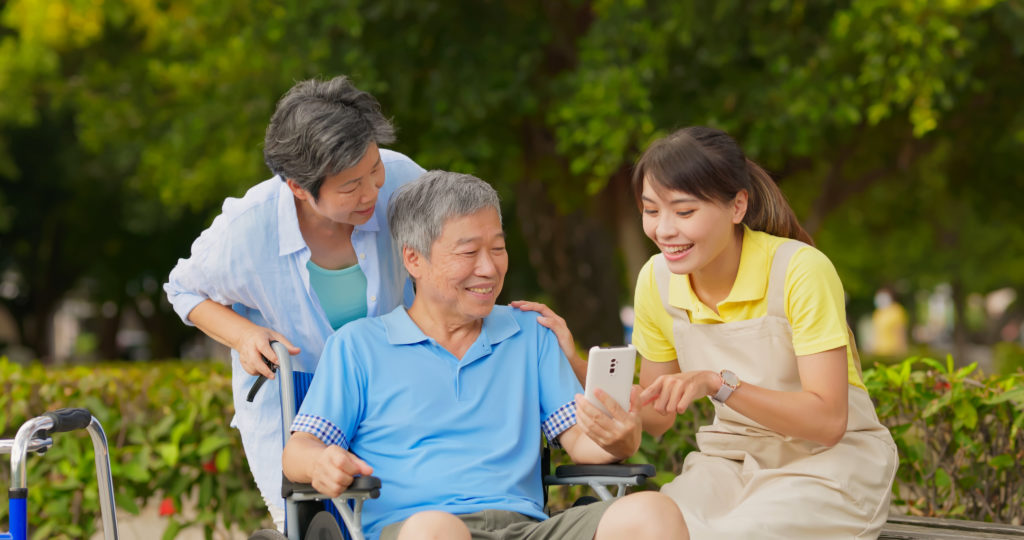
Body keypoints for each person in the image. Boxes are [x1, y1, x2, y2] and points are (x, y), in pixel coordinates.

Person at [282, 171, 687, 540]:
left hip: (526, 530)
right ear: (413, 259)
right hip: (420, 530)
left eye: (498, 248)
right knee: (435, 529)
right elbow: (297, 451)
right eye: (468, 252)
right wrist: (321, 463)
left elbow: (581, 442)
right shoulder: (358, 346)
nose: (489, 268)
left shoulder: (529, 333)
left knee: (654, 513)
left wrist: (620, 440)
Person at [163, 75, 426, 527]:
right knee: (315, 523)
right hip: (297, 399)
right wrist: (244, 335)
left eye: (374, 169)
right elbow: (183, 289)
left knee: (405, 519)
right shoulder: (248, 229)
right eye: (350, 187)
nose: (372, 193)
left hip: (394, 385)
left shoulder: (403, 180)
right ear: (298, 188)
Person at [625, 126, 898, 539]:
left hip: (827, 466)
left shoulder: (800, 270)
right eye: (651, 211)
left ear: (737, 206)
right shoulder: (656, 280)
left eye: (684, 212)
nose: (664, 230)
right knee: (641, 526)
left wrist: (718, 384)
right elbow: (656, 417)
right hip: (729, 463)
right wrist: (578, 370)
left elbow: (828, 422)